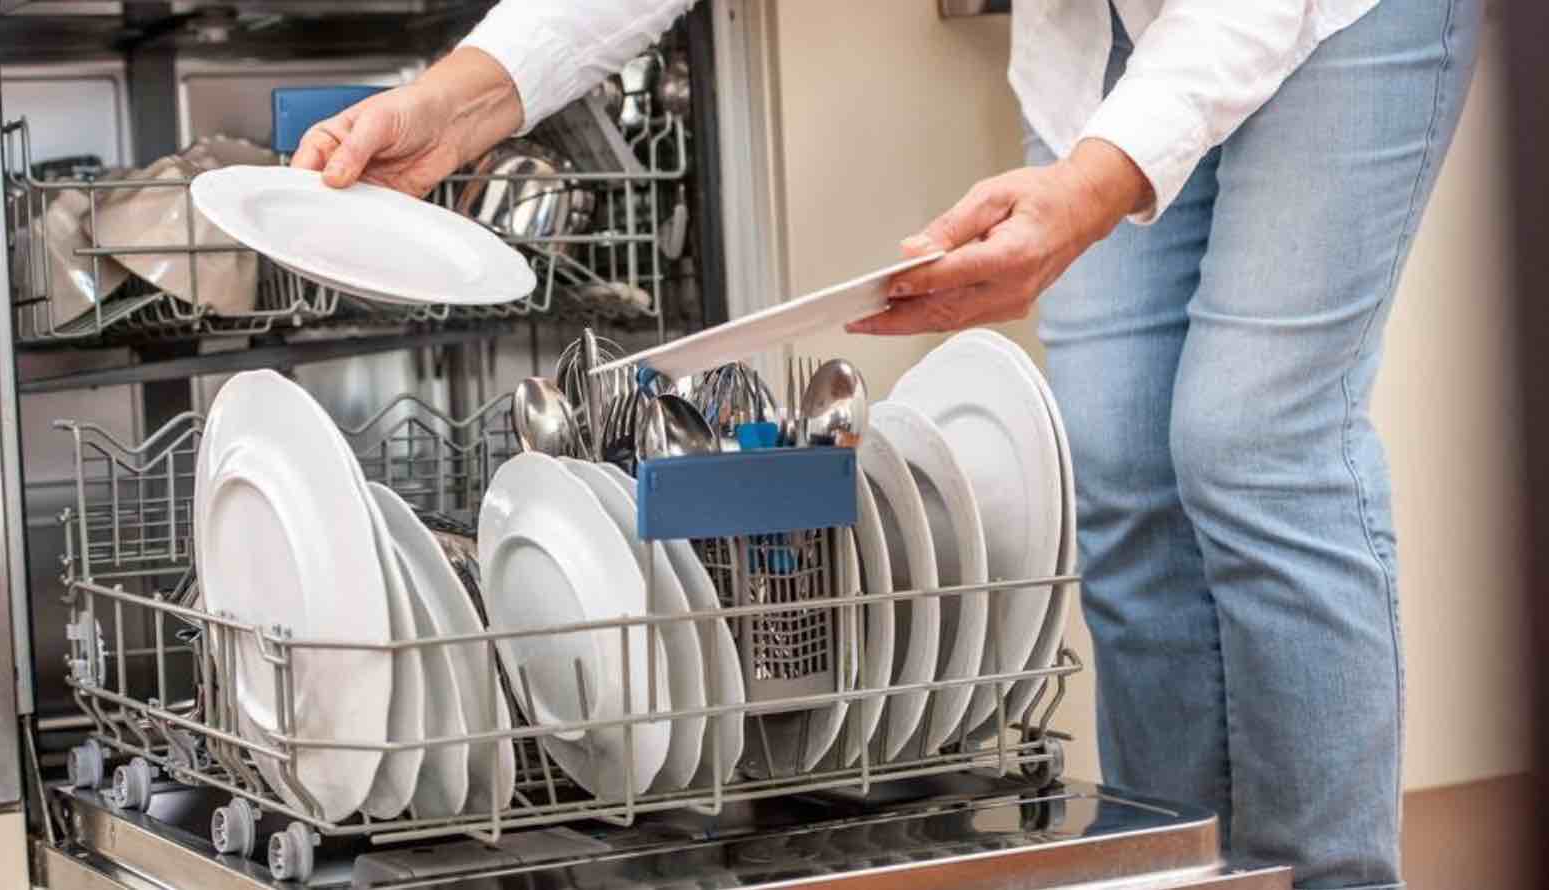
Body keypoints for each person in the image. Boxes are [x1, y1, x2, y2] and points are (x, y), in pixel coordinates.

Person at [292, 3, 1481, 887]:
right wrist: (458, 97)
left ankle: (1323, 873)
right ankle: (1169, 867)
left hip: (1331, 17)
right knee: (1114, 462)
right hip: (1105, 37)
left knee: (1250, 441)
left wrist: (1095, 183)